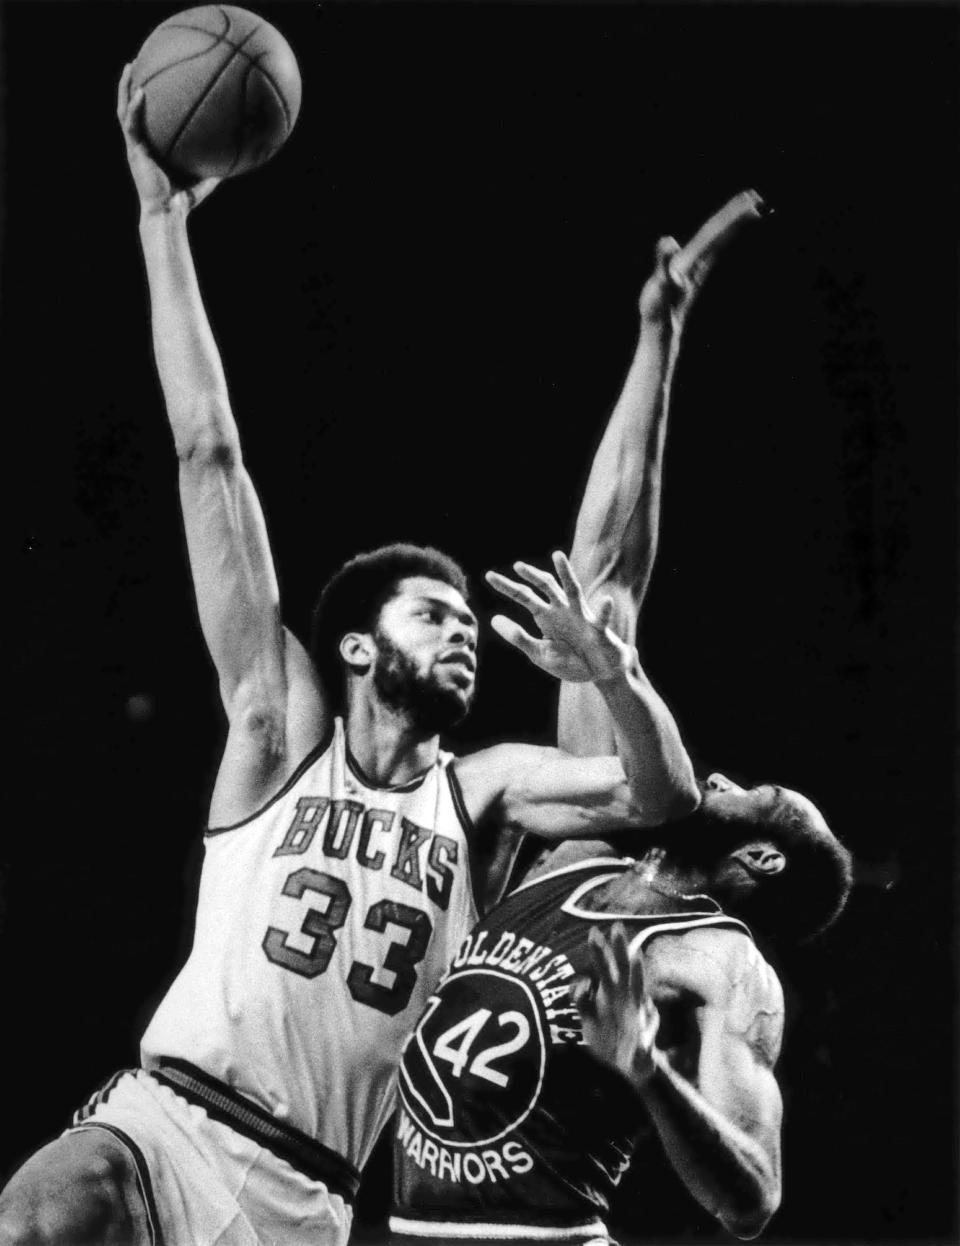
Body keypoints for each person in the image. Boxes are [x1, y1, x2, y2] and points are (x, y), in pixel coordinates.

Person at [0, 73, 706, 1246]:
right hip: (165, 1124)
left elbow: (659, 796)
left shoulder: (480, 794)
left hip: (311, 1194)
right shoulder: (277, 731)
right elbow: (207, 454)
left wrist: (615, 673)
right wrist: (160, 224)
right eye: (437, 613)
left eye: (468, 620)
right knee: (42, 1212)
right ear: (359, 646)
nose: (466, 627)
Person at [389, 196, 853, 1244]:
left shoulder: (726, 967)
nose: (726, 777)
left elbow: (753, 1196)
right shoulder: (585, 849)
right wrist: (659, 335)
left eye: (755, 796)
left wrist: (647, 1065)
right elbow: (606, 575)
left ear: (764, 862)